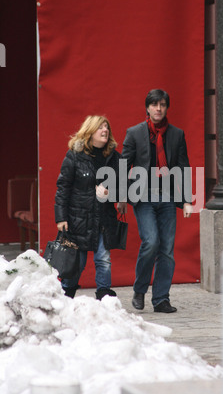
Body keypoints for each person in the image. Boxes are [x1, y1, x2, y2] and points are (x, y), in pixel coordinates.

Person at [119, 89, 192, 313]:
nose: (158, 109)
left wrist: (187, 200)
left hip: (168, 197)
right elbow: (123, 165)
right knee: (151, 242)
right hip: (143, 197)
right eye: (154, 105)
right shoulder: (134, 133)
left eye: (162, 105)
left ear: (167, 108)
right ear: (147, 108)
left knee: (167, 250)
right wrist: (121, 196)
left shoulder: (177, 134)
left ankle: (161, 299)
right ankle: (140, 289)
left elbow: (183, 167)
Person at [55, 115, 125, 300]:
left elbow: (125, 189)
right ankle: (66, 294)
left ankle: (103, 295)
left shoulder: (115, 157)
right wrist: (60, 217)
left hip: (103, 218)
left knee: (103, 259)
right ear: (90, 132)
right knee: (76, 261)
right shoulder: (74, 156)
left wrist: (111, 194)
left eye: (107, 128)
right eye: (100, 127)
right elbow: (63, 187)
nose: (105, 131)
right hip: (78, 218)